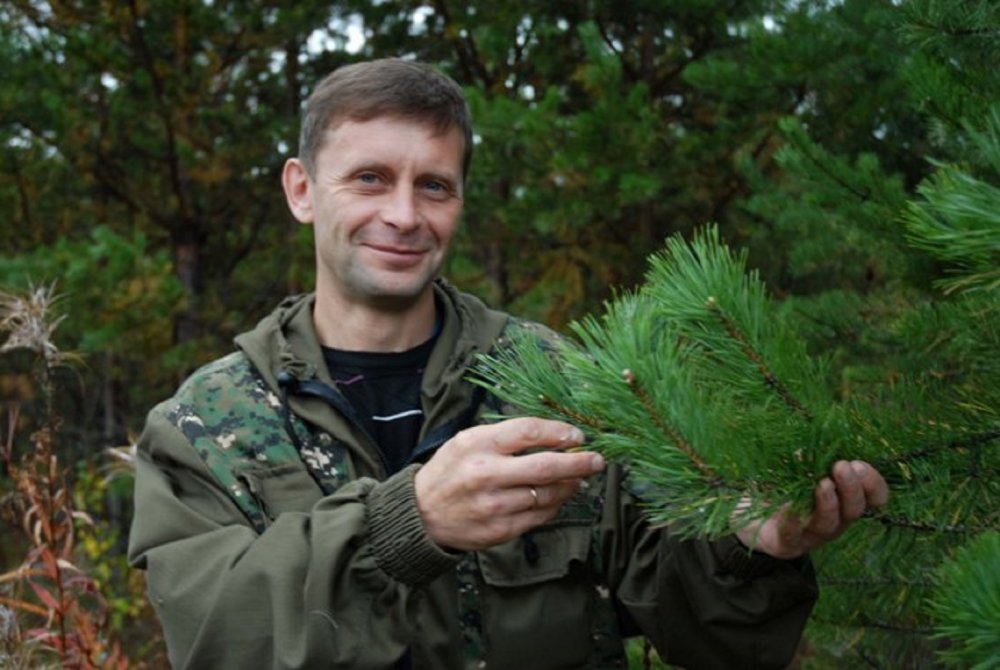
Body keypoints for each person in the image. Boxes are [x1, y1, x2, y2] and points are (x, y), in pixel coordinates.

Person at [127, 58, 889, 670]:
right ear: (301, 191)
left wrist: (748, 551)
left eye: (434, 186)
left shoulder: (564, 384)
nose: (403, 215)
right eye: (369, 178)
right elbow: (216, 638)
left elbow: (700, 625)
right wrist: (407, 526)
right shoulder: (203, 425)